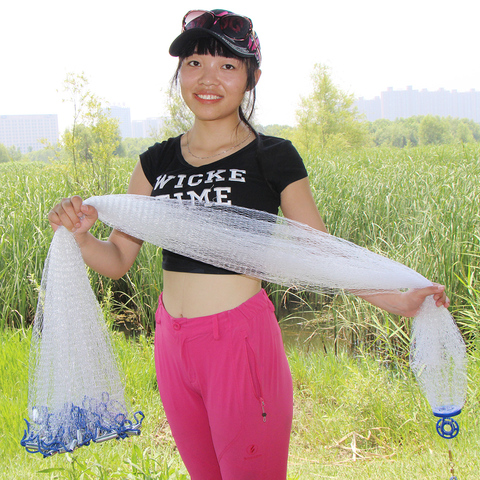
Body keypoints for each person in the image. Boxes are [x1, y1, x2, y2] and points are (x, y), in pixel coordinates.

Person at [48, 9, 450, 480]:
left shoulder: (272, 156)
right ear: (180, 73)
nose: (208, 78)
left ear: (251, 77)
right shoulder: (155, 161)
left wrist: (395, 300)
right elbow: (117, 260)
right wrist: (80, 236)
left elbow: (319, 250)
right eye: (194, 63)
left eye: (227, 65)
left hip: (239, 342)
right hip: (172, 344)